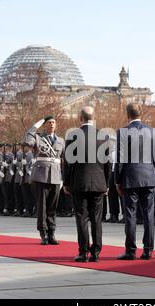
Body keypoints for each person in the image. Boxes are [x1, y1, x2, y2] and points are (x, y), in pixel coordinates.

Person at [64, 107, 109, 262]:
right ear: (93, 117)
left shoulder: (73, 136)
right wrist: (106, 183)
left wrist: (67, 183)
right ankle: (96, 252)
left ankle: (83, 252)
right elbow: (107, 163)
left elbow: (68, 163)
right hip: (98, 182)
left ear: (80, 118)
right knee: (96, 219)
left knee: (81, 217)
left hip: (79, 183)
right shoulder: (103, 136)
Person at [115, 104, 155, 260]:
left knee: (130, 216)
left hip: (130, 177)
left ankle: (131, 250)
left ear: (128, 114)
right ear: (141, 113)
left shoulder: (122, 132)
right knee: (149, 215)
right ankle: (148, 250)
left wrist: (117, 181)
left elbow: (119, 159)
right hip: (148, 176)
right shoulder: (152, 132)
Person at [25, 115, 65, 245]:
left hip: (55, 176)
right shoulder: (38, 138)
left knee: (52, 207)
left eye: (54, 122)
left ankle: (52, 232)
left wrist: (64, 178)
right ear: (44, 125)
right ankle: (43, 233)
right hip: (41, 176)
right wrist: (34, 127)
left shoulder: (61, 141)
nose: (52, 124)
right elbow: (27, 141)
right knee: (42, 206)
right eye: (49, 122)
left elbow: (64, 161)